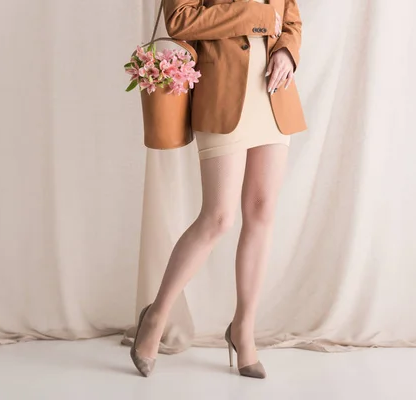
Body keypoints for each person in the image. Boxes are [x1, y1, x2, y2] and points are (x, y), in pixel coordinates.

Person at [130, 0, 307, 379]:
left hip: (274, 94)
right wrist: (258, 18)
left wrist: (288, 53)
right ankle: (156, 316)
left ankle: (243, 329)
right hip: (222, 91)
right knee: (219, 217)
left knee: (261, 213)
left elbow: (289, 16)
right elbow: (180, 19)